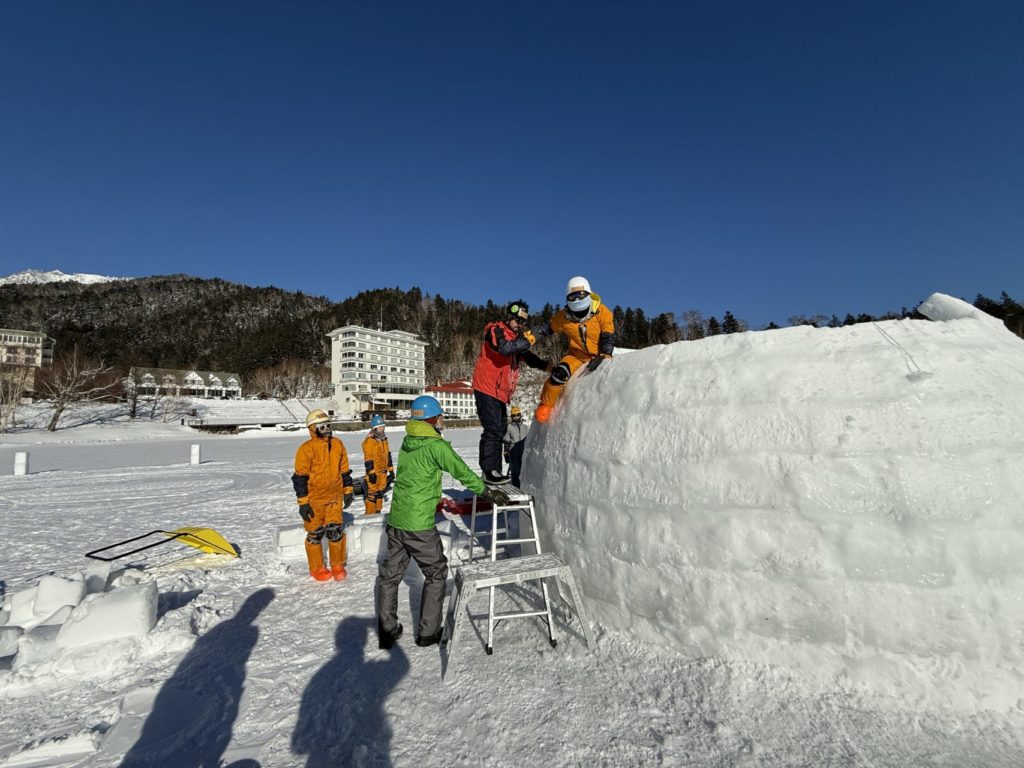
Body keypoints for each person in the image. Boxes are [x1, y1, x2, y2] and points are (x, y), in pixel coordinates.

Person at [376, 395, 510, 649]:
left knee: (389, 576)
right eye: (439, 415)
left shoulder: (408, 441)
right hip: (418, 523)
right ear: (431, 418)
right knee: (436, 572)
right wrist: (488, 493)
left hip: (397, 519)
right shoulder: (437, 446)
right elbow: (462, 473)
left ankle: (387, 629)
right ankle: (428, 632)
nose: (442, 419)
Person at [471, 300, 549, 485]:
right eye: (517, 320)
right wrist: (530, 338)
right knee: (492, 429)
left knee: (501, 430)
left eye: (522, 322)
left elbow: (529, 358)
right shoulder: (495, 331)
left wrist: (548, 366)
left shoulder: (516, 342)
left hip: (499, 392)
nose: (519, 325)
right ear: (509, 317)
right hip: (486, 387)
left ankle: (494, 471)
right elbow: (504, 348)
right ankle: (489, 470)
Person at [532, 276, 616, 424]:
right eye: (573, 296)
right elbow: (547, 328)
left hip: (598, 354)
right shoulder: (563, 317)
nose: (577, 299)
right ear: (567, 299)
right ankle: (546, 405)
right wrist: (529, 337)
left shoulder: (602, 312)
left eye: (580, 295)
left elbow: (608, 334)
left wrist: (605, 354)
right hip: (576, 355)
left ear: (588, 294)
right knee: (558, 374)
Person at [291, 409, 354, 581]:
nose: (326, 429)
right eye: (322, 426)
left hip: (334, 498)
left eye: (328, 425)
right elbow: (300, 478)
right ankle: (317, 568)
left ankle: (337, 564)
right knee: (315, 534)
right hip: (314, 501)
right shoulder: (306, 449)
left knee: (336, 532)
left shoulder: (338, 444)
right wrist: (303, 502)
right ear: (312, 428)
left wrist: (348, 491)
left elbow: (344, 470)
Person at [361, 414, 393, 515]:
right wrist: (371, 472)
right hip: (374, 472)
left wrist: (391, 470)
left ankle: (377, 511)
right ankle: (370, 514)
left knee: (380, 492)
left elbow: (388, 455)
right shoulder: (369, 441)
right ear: (374, 428)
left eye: (383, 426)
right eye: (379, 427)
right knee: (372, 493)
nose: (382, 429)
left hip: (383, 471)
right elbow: (368, 458)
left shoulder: (384, 439)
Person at [502, 406, 529, 488]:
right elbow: (506, 441)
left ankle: (524, 486)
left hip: (523, 451)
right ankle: (516, 486)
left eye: (517, 415)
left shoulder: (525, 427)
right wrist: (506, 453)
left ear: (520, 415)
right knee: (515, 471)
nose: (516, 417)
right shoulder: (509, 427)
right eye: (514, 415)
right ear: (512, 417)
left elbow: (528, 440)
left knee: (523, 470)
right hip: (513, 452)